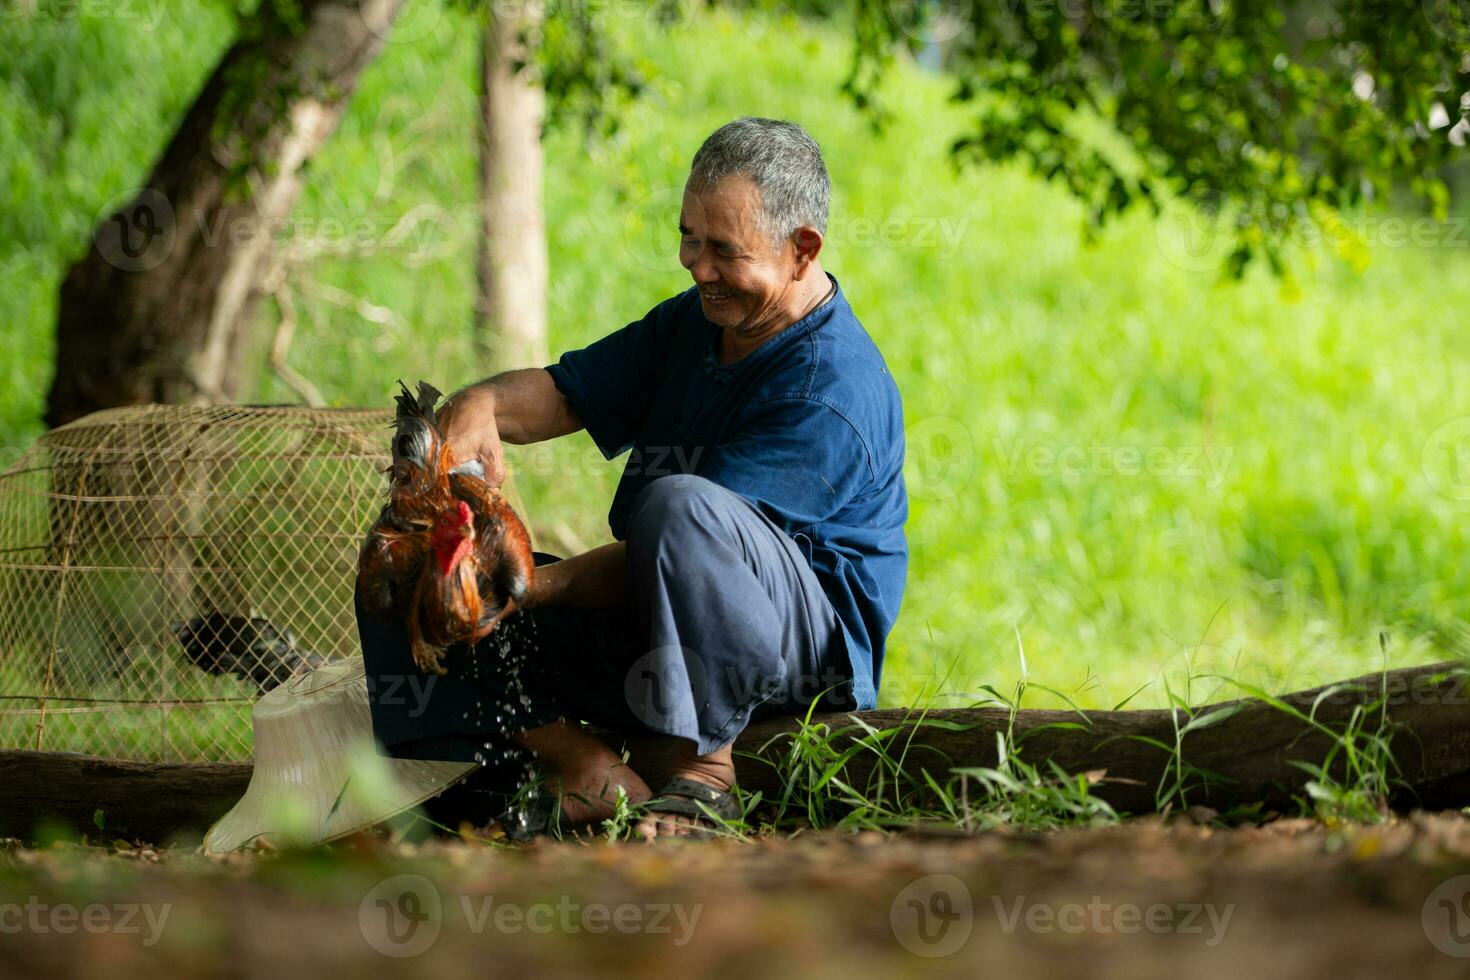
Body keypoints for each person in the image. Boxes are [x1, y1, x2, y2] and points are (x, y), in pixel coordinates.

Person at [356, 116, 908, 840]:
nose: (696, 265)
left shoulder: (830, 392)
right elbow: (565, 392)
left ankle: (706, 773)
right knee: (406, 559)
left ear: (802, 250)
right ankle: (583, 769)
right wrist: (478, 405)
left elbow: (690, 549)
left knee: (677, 507)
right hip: (657, 617)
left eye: (723, 250)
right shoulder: (702, 322)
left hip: (790, 659)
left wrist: (524, 585)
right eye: (689, 237)